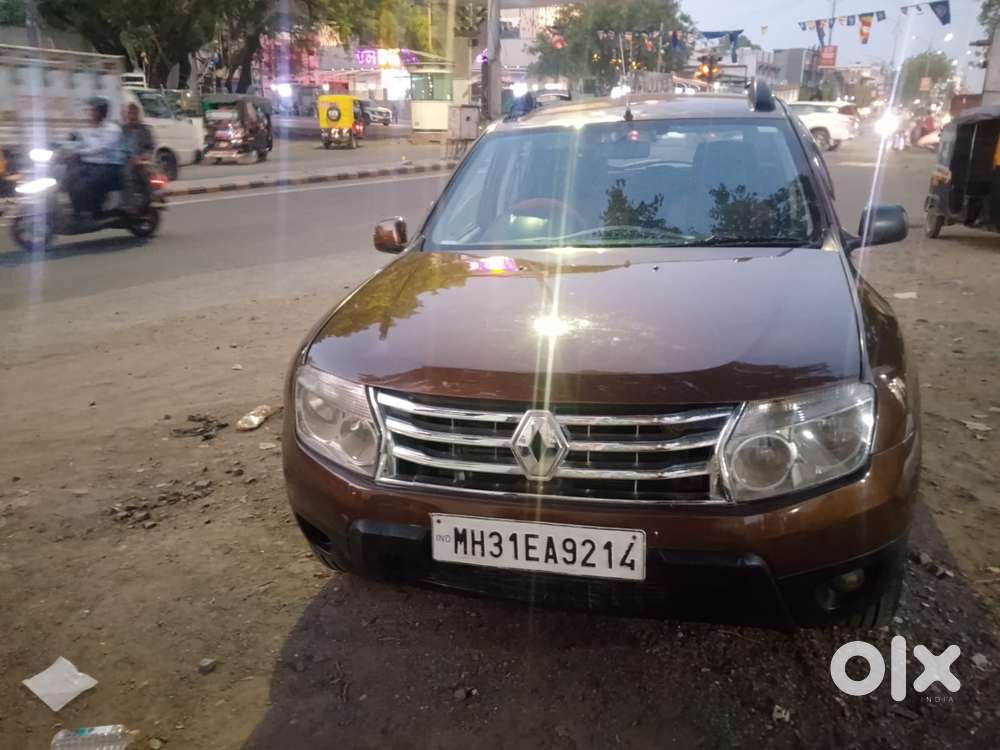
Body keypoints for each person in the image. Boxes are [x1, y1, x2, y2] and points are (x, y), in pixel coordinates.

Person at [70, 97, 126, 218]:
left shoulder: (112, 130)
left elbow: (100, 148)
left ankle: (96, 210)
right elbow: (78, 142)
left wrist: (79, 152)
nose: (91, 113)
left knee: (85, 185)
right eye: (91, 111)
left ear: (102, 112)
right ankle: (78, 211)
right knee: (69, 179)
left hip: (108, 166)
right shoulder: (88, 128)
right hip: (89, 165)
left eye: (94, 111)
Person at [121, 102, 155, 213]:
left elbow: (150, 148)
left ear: (137, 114)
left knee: (129, 175)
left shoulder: (144, 130)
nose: (131, 115)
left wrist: (141, 158)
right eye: (129, 112)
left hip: (140, 160)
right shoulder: (123, 129)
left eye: (133, 113)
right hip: (124, 159)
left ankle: (131, 205)